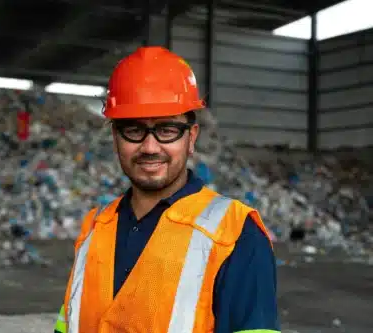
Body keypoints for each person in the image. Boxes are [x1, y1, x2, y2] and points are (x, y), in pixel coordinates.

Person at [54, 46, 280, 333]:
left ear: (191, 137)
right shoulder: (95, 228)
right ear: (115, 137)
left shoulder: (236, 235)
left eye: (167, 130)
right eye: (134, 130)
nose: (150, 147)